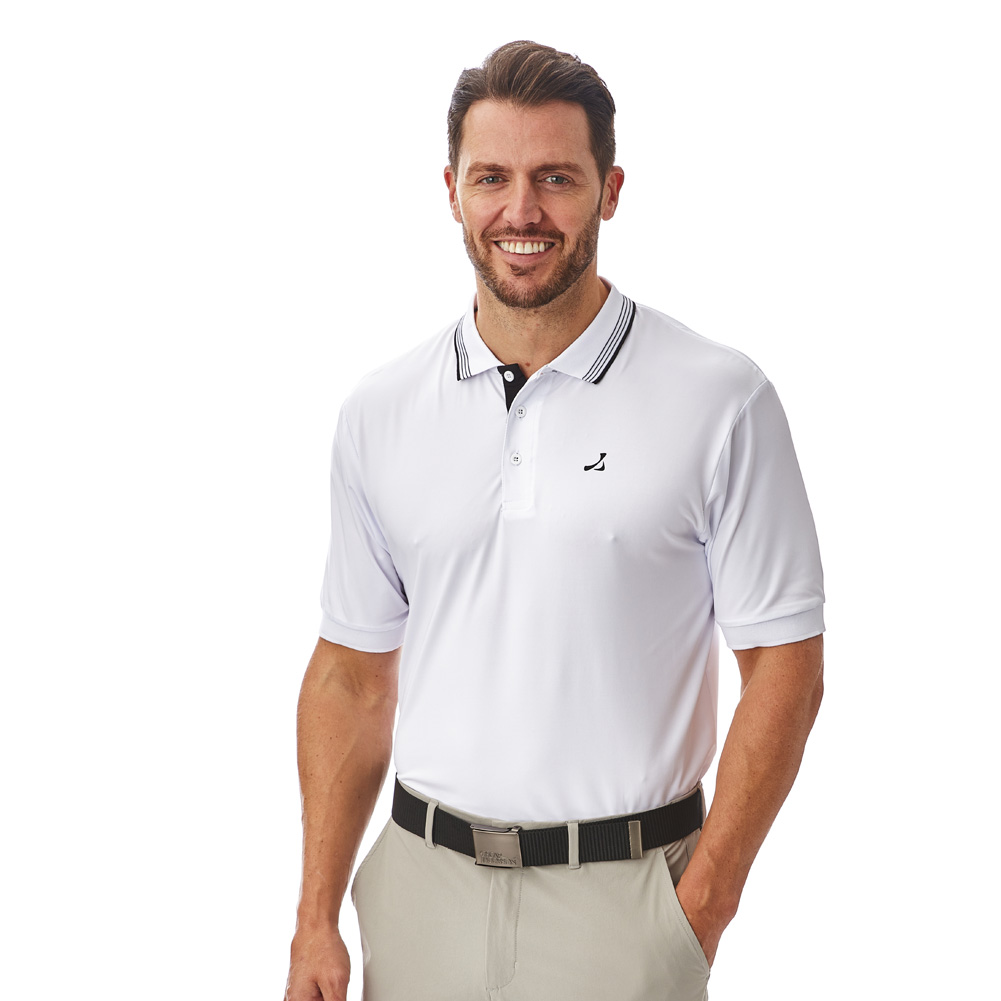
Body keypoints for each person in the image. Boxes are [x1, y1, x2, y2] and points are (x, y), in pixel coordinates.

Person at [284, 40, 824, 1001]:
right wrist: (315, 915)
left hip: (627, 904)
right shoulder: (380, 411)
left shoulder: (719, 399)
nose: (521, 211)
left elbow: (785, 662)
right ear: (451, 192)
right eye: (491, 177)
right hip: (419, 894)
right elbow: (350, 678)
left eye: (555, 178)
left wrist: (701, 904)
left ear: (609, 191)